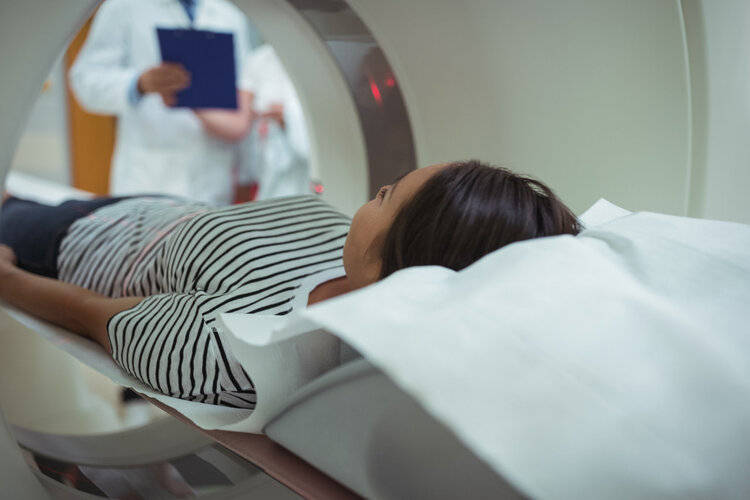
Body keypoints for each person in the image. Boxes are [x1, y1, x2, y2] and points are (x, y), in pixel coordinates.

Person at [0, 161, 581, 408]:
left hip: (76, 244)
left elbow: (90, 314)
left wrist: (8, 279)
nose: (373, 193)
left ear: (399, 269)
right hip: (154, 210)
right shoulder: (354, 259)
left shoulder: (244, 346)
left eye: (386, 196)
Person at [69, 0, 255, 205]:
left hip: (213, 178)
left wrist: (246, 175)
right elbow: (85, 80)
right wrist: (139, 84)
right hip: (148, 176)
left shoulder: (229, 15)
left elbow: (244, 93)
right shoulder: (124, 6)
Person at [237, 45, 311, 201]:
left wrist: (286, 116)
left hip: (308, 175)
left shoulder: (318, 58)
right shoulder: (258, 60)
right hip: (269, 174)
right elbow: (241, 123)